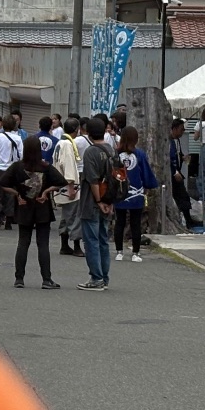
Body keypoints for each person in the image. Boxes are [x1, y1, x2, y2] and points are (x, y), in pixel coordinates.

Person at [0, 136, 67, 289]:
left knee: (23, 243)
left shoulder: (17, 167)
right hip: (42, 208)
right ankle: (46, 279)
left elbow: (2, 183)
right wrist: (46, 192)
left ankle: (19, 279)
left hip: (24, 207)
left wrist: (17, 194)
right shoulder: (46, 167)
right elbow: (62, 182)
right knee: (43, 244)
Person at [78, 117, 114, 291]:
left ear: (88, 133)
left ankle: (96, 278)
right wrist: (109, 201)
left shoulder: (90, 152)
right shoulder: (111, 150)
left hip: (92, 201)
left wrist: (99, 200)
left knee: (91, 241)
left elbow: (92, 180)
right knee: (103, 240)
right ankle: (104, 277)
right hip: (109, 199)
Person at [113, 126, 158, 263]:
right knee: (135, 223)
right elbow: (146, 173)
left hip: (119, 192)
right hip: (136, 192)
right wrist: (148, 185)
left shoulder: (115, 154)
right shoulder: (140, 154)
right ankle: (135, 253)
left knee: (119, 222)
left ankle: (119, 252)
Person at [0, 114, 23, 230]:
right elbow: (21, 156)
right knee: (10, 195)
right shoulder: (18, 138)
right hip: (12, 170)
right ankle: (9, 222)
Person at [52, 117, 83, 256]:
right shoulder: (67, 144)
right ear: (77, 129)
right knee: (74, 217)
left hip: (60, 184)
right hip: (69, 186)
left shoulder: (60, 142)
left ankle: (64, 245)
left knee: (66, 216)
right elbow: (68, 165)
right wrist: (71, 186)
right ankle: (76, 246)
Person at [170, 119, 198, 229]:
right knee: (182, 196)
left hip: (178, 171)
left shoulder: (176, 141)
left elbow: (176, 155)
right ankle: (187, 220)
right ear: (175, 129)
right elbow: (169, 158)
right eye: (181, 130)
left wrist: (182, 158)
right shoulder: (169, 142)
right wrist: (174, 172)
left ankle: (188, 219)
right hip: (173, 173)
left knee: (184, 197)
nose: (182, 132)